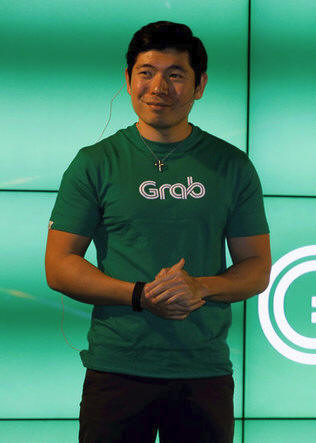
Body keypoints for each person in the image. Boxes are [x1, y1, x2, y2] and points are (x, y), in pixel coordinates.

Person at [44, 21, 270, 443]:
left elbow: (256, 268)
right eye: (146, 72)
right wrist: (139, 295)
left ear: (200, 85)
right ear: (129, 79)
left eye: (175, 74)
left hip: (203, 372)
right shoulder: (94, 163)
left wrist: (200, 287)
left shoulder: (232, 166)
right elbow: (58, 265)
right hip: (116, 369)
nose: (158, 87)